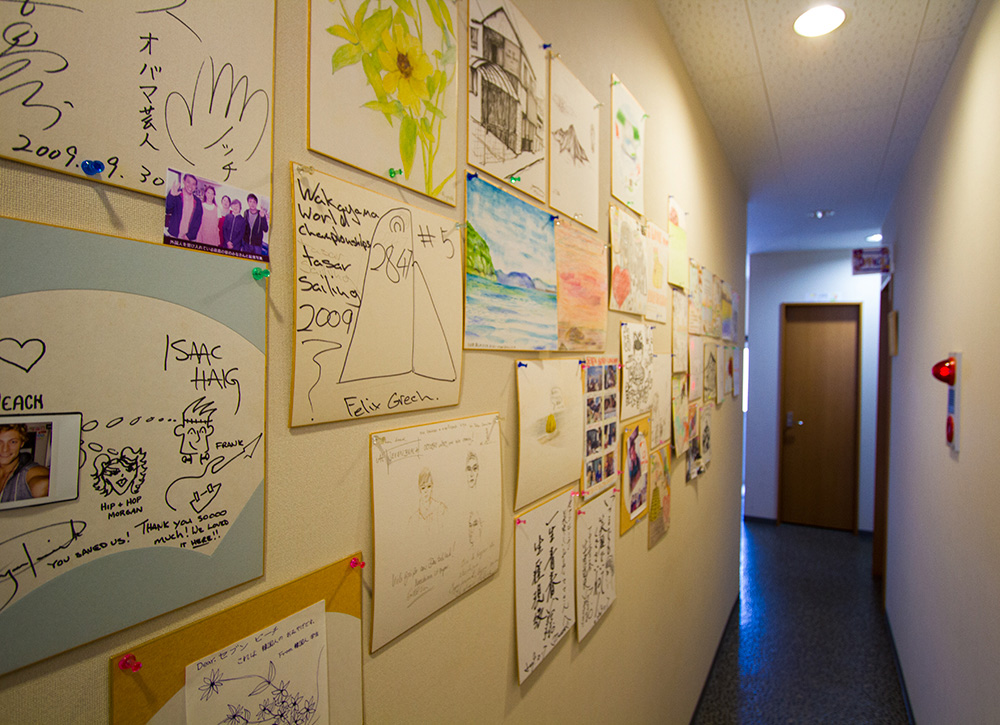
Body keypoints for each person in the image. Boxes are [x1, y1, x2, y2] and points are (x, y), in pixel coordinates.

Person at [0, 424, 49, 502]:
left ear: (22, 443)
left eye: (13, 442)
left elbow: (43, 485)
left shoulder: (29, 472)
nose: (5, 449)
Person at [165, 173, 203, 241]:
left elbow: (198, 221)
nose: (190, 186)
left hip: (187, 238)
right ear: (184, 181)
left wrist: (189, 236)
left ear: (195, 186)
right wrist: (171, 196)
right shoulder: (177, 195)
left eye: (193, 184)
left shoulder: (198, 202)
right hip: (174, 235)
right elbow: (167, 210)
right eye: (188, 182)